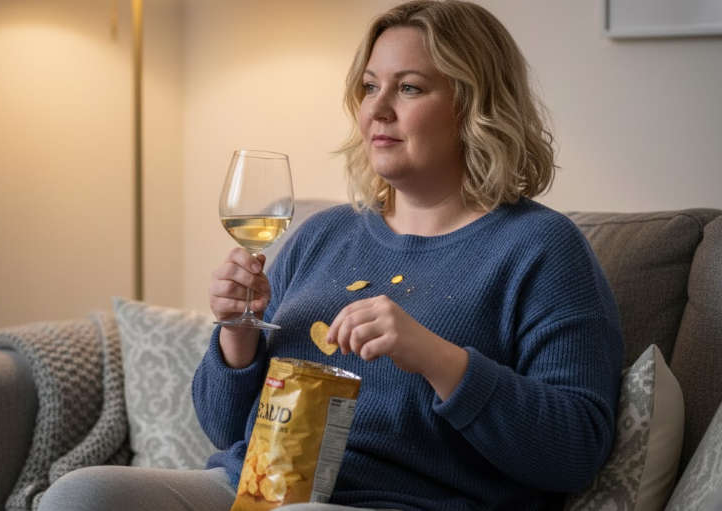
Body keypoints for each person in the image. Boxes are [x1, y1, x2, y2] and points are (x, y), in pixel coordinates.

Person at [39, 1, 622, 510]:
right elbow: (223, 428)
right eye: (370, 86)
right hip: (254, 490)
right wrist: (237, 335)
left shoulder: (540, 249)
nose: (377, 109)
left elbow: (575, 451)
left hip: (404, 502)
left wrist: (435, 357)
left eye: (409, 88)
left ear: (474, 106)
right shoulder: (324, 235)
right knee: (81, 494)